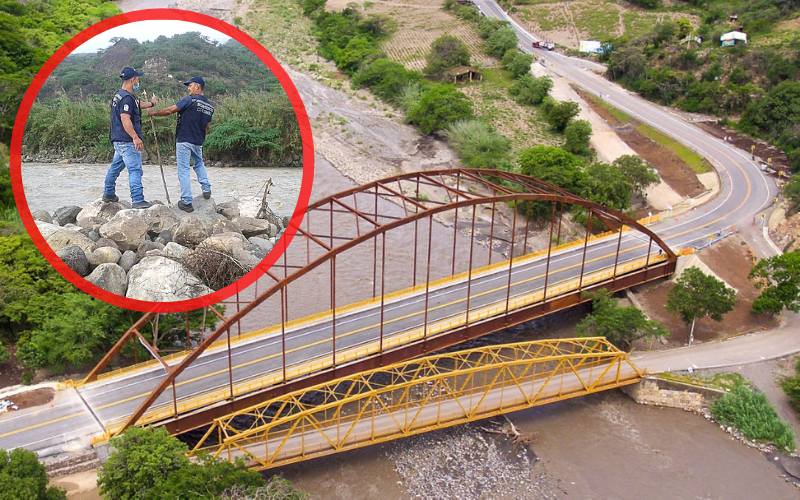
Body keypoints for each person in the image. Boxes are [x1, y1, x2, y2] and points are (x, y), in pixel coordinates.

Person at [148, 76, 214, 213]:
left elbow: (171, 110)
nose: (188, 88)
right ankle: (206, 189)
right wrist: (201, 137)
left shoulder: (189, 100)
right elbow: (207, 127)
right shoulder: (209, 106)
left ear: (198, 87)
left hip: (184, 139)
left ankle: (187, 201)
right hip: (198, 141)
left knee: (183, 169)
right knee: (199, 163)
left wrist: (154, 113)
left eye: (190, 86)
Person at [103, 66, 157, 208]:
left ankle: (108, 193)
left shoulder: (121, 95)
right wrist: (135, 137)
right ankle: (138, 200)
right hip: (127, 141)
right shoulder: (127, 98)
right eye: (137, 79)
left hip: (118, 140)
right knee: (135, 170)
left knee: (115, 168)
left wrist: (151, 104)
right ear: (133, 80)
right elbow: (125, 119)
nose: (138, 82)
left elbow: (138, 105)